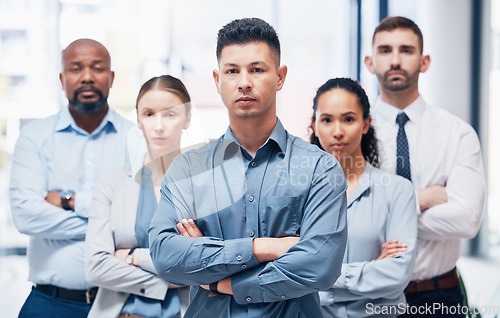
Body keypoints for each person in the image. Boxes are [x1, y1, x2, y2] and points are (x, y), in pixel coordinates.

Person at [149, 17, 348, 317]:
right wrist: (263, 248)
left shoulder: (320, 169)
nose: (244, 82)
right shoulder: (189, 168)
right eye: (232, 71)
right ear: (217, 80)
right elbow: (165, 257)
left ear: (280, 77)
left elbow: (320, 266)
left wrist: (220, 281)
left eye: (257, 69)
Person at [364, 16, 486, 317]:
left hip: (440, 295)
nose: (395, 60)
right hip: (368, 295)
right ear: (370, 62)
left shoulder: (457, 133)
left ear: (424, 61)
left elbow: (467, 221)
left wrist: (383, 214)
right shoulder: (353, 134)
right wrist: (424, 199)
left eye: (406, 50)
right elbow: (347, 220)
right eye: (385, 50)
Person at [9, 39, 133, 317]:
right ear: (62, 79)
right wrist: (109, 223)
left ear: (111, 78)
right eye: (76, 69)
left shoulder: (136, 139)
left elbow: (141, 220)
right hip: (48, 304)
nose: (87, 77)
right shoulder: (34, 138)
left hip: (122, 306)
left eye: (97, 68)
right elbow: (26, 215)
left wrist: (70, 200)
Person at [309, 77, 417, 317]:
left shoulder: (398, 191)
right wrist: (371, 270)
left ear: (366, 123)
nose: (337, 131)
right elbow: (287, 275)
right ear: (315, 125)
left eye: (348, 119)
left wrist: (322, 278)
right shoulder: (298, 194)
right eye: (327, 120)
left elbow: (397, 276)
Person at [85, 75, 191, 318]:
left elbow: (206, 264)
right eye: (149, 114)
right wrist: (164, 283)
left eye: (170, 114)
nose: (159, 125)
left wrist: (133, 257)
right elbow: (96, 267)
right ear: (139, 120)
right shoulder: (111, 183)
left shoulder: (210, 186)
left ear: (187, 119)